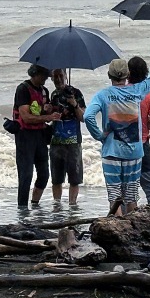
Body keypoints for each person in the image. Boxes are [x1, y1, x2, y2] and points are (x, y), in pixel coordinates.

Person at [84, 46, 150, 217]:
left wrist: (99, 135)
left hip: (112, 151)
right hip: (134, 152)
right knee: (131, 196)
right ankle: (132, 227)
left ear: (109, 75)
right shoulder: (137, 91)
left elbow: (88, 116)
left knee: (115, 196)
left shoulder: (103, 95)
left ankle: (117, 227)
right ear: (127, 75)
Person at [13, 64, 61, 208]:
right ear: (34, 74)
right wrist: (48, 117)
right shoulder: (23, 89)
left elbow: (41, 113)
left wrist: (48, 110)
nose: (45, 79)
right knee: (26, 175)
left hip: (40, 135)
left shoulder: (44, 91)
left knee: (44, 174)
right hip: (25, 136)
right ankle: (22, 208)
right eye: (43, 76)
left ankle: (35, 204)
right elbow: (26, 117)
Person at [128, 56, 150, 207]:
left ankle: (126, 219)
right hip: (142, 146)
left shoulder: (121, 93)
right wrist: (147, 122)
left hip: (124, 147)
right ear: (145, 72)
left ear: (128, 73)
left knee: (128, 191)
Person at [49, 69, 86, 206]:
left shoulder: (76, 93)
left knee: (75, 178)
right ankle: (57, 206)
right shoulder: (53, 95)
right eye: (55, 76)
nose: (58, 79)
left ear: (65, 76)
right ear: (51, 78)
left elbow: (83, 117)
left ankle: (72, 206)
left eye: (61, 76)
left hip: (73, 141)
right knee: (56, 179)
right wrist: (48, 110)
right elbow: (49, 118)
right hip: (56, 140)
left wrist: (74, 104)